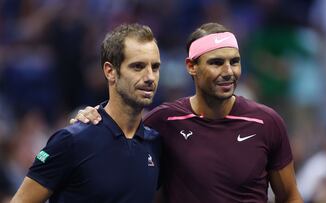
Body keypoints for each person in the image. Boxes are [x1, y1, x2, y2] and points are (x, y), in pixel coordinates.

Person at [73, 22, 303, 202]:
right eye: (216, 63)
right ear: (191, 67)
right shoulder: (163, 122)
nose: (228, 72)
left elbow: (290, 195)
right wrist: (93, 115)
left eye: (234, 62)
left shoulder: (266, 122)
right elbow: (115, 142)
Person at [10, 23, 162, 203]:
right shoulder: (71, 141)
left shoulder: (156, 144)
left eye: (155, 67)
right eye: (138, 66)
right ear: (110, 71)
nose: (150, 77)